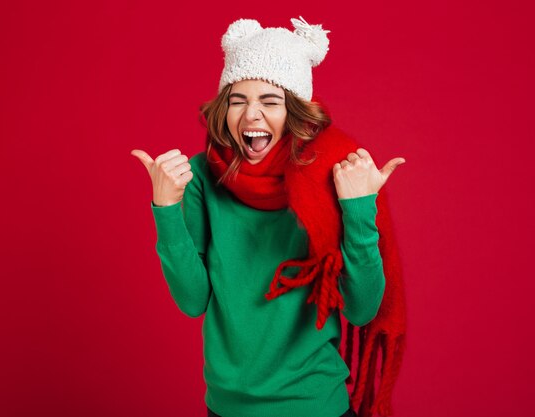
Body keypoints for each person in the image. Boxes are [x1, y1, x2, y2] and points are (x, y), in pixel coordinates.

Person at [132, 17, 406, 417]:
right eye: (238, 100)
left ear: (294, 111)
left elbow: (361, 309)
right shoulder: (201, 177)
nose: (252, 116)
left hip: (315, 406)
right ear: (223, 108)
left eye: (271, 102)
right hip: (227, 407)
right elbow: (193, 302)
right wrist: (166, 210)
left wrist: (359, 209)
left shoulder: (333, 174)